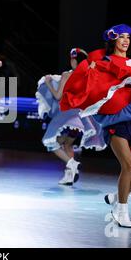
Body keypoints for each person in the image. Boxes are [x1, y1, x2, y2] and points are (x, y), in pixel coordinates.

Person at [60, 24, 131, 227]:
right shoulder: (104, 62)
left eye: (128, 37)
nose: (125, 40)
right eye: (121, 37)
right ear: (113, 40)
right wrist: (91, 71)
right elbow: (93, 84)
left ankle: (116, 196)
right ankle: (121, 211)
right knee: (128, 165)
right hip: (115, 123)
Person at [36, 48, 106, 185]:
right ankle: (70, 175)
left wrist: (49, 83)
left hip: (68, 114)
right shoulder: (88, 75)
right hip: (82, 117)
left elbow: (58, 96)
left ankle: (72, 163)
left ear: (73, 60)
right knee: (67, 143)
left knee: (49, 142)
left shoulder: (67, 75)